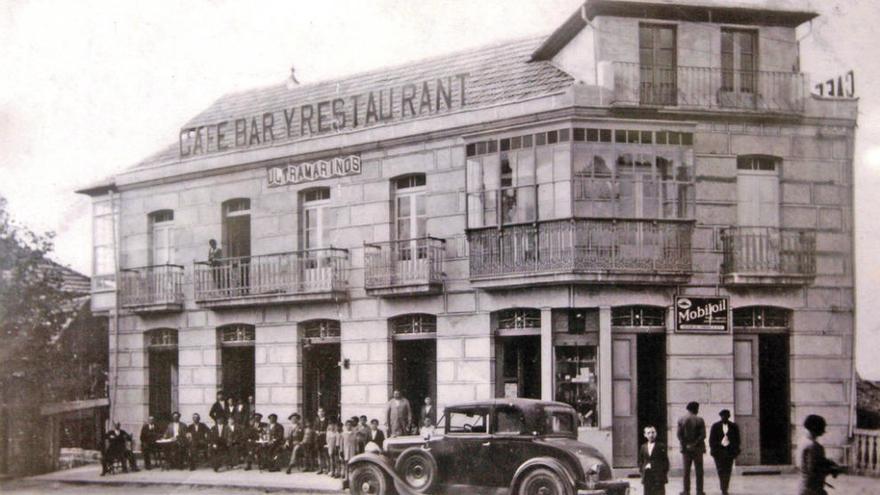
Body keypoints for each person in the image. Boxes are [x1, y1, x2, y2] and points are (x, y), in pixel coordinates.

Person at [799, 414, 842, 495]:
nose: (823, 431)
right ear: (817, 429)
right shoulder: (814, 446)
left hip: (804, 486)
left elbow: (817, 461)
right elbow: (813, 470)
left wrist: (829, 463)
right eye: (822, 428)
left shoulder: (803, 441)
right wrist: (832, 470)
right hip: (813, 489)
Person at [676, 401, 706, 495]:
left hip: (685, 449)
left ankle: (686, 491)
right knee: (699, 471)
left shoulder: (681, 419)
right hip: (697, 449)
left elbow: (679, 435)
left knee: (686, 471)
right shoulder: (700, 420)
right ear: (695, 409)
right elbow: (703, 435)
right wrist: (694, 444)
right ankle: (699, 491)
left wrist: (685, 444)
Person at [709, 409, 741, 495]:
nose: (724, 418)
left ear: (729, 416)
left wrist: (735, 451)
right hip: (719, 452)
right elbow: (711, 440)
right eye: (723, 416)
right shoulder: (715, 426)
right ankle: (723, 488)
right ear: (720, 416)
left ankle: (725, 488)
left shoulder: (734, 426)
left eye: (726, 416)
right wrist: (717, 446)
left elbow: (737, 440)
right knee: (720, 470)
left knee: (728, 470)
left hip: (729, 452)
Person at [638, 425, 669, 495]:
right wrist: (642, 470)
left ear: (656, 433)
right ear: (645, 435)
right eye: (648, 433)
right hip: (647, 475)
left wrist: (663, 474)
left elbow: (665, 461)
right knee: (647, 492)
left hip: (658, 475)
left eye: (653, 432)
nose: (651, 435)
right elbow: (640, 460)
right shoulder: (643, 447)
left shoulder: (661, 446)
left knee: (659, 492)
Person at [315, 407, 330, 474]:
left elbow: (329, 430)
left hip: (325, 439)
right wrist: (316, 432)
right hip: (318, 439)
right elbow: (314, 428)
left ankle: (328, 468)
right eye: (319, 412)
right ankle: (320, 468)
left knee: (326, 454)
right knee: (319, 454)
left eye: (322, 411)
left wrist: (323, 432)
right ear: (317, 413)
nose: (320, 413)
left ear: (324, 413)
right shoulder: (316, 420)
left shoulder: (327, 421)